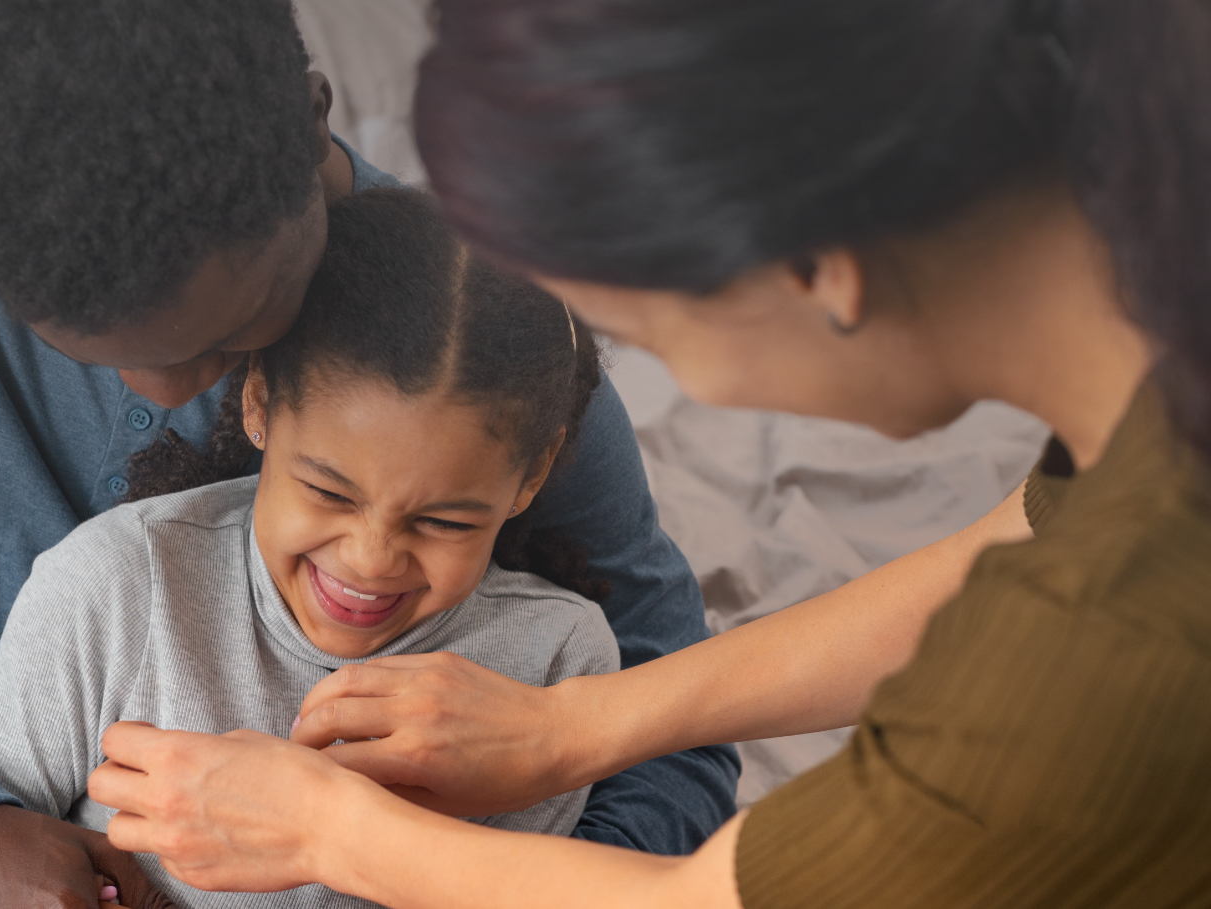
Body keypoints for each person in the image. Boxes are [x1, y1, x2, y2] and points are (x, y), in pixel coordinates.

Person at [85, 0, 1211, 906]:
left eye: (654, 335)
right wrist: (577, 726)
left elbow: (704, 899)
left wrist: (330, 830)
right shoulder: (1152, 368)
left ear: (815, 269)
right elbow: (1021, 537)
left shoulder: (1100, 657)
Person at [0, 2, 737, 909]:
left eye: (234, 335)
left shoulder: (475, 343)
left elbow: (671, 721)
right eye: (88, 348)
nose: (172, 394)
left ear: (311, 120)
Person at [0, 188, 621, 909]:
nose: (370, 560)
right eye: (330, 493)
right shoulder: (116, 584)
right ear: (259, 402)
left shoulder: (556, 667)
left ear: (531, 475)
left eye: (443, 522)